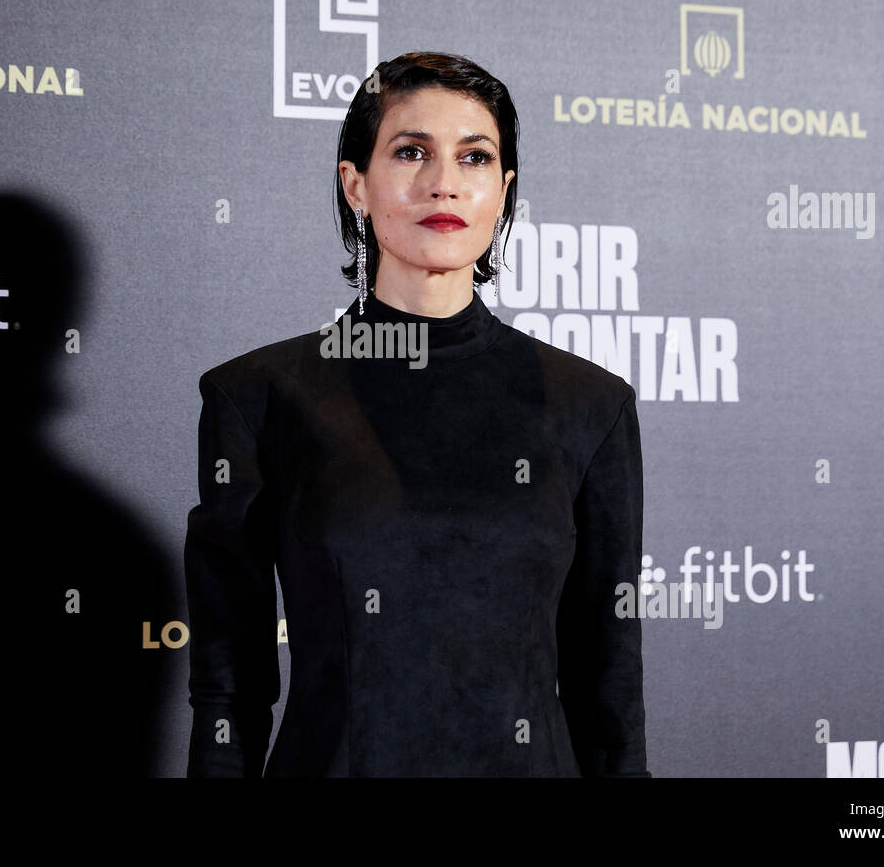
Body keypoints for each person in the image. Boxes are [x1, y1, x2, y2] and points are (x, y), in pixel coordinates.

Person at [183, 52, 647, 777]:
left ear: (504, 191)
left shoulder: (591, 404)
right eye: (410, 152)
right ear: (355, 184)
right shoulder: (258, 396)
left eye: (475, 157)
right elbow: (228, 686)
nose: (444, 183)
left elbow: (607, 682)